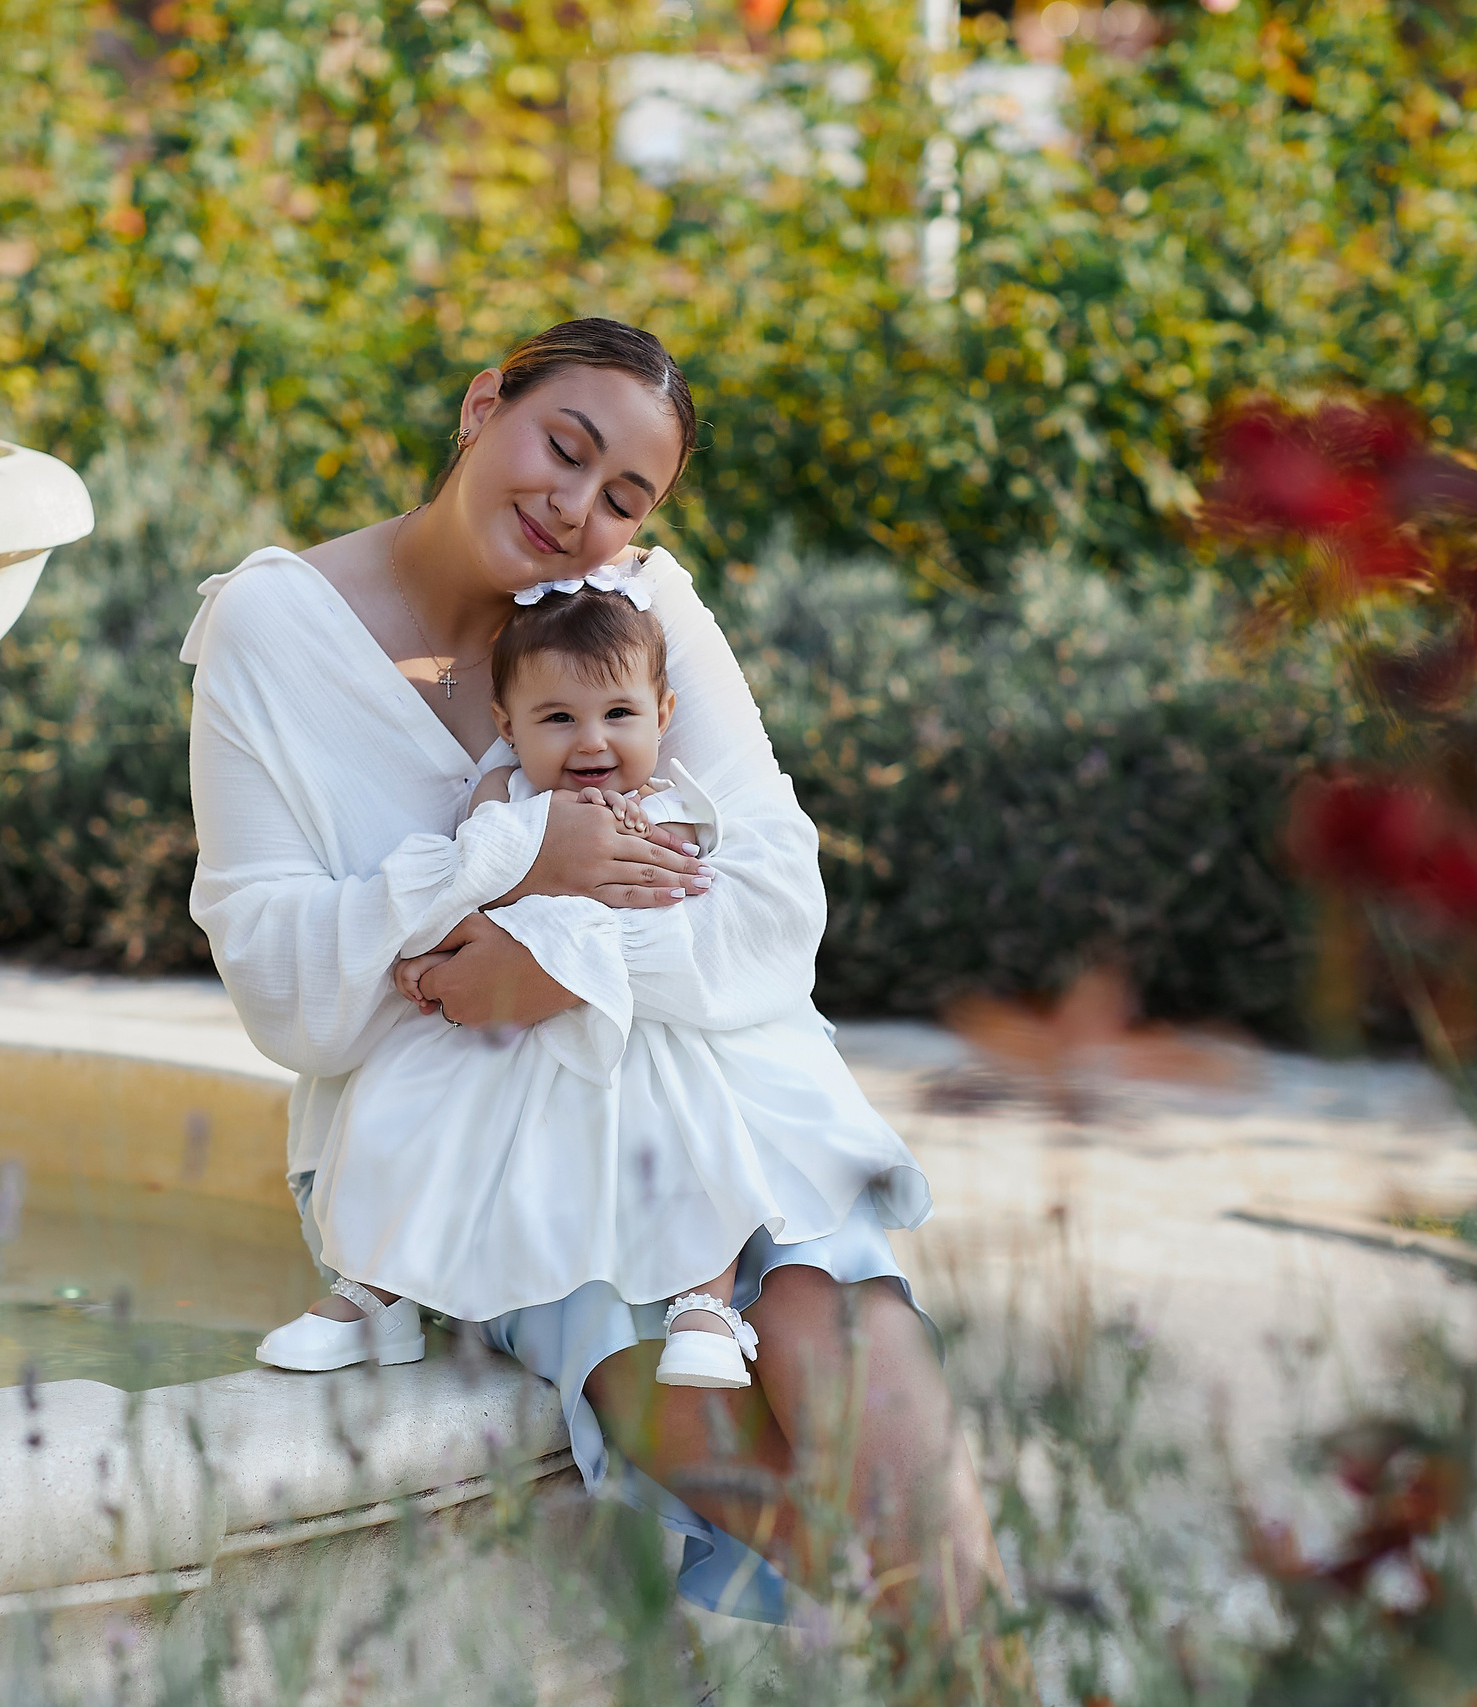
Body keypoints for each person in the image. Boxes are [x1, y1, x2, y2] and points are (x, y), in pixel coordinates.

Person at [183, 317, 995, 1634]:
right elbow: (286, 995)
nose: (576, 509)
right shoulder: (273, 629)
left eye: (626, 494)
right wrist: (504, 866)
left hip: (724, 1089)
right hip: (479, 1135)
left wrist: (555, 964)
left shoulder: (644, 613)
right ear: (482, 405)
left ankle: (1000, 1661)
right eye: (563, 449)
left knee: (846, 1348)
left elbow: (779, 905)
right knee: (810, 1501)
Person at [253, 569, 930, 1394]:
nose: (591, 743)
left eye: (618, 715)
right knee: (411, 1101)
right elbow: (459, 889)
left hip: (638, 1024)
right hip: (512, 1043)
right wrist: (437, 955)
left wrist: (557, 945)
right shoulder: (502, 803)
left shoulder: (666, 809)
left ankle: (705, 1305)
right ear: (508, 724)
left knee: (694, 1124)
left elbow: (683, 916)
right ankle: (375, 1293)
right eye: (557, 719)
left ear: (663, 716)